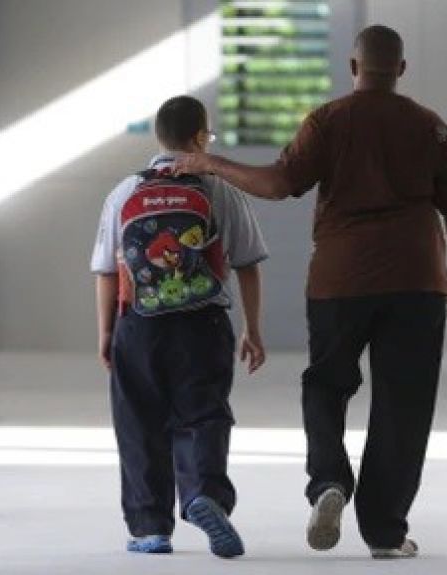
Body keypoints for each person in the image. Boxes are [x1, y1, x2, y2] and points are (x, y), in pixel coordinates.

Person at [176, 25, 447, 559]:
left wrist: (210, 163)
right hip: (417, 278)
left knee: (326, 385)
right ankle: (384, 533)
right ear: (401, 69)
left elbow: (276, 184)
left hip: (341, 278)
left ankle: (330, 482)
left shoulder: (329, 121)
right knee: (403, 404)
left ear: (353, 66)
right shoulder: (431, 127)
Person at [90, 95, 269, 559]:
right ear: (197, 137)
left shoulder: (124, 192)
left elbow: (107, 270)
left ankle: (150, 527)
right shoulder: (218, 189)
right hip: (202, 323)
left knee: (139, 421)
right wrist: (253, 328)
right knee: (204, 414)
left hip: (139, 324)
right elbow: (247, 262)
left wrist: (107, 333)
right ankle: (204, 493)